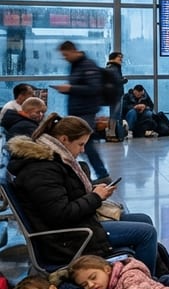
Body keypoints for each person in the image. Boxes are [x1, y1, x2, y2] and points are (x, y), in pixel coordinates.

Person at [5, 114, 159, 272]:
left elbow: (61, 197)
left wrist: (93, 192)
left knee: (144, 219)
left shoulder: (51, 160)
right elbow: (61, 214)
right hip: (67, 240)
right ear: (64, 139)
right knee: (147, 233)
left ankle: (141, 271)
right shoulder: (42, 169)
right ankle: (145, 282)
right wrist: (96, 197)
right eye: (80, 144)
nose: (83, 150)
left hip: (76, 226)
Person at [53, 41, 110, 183]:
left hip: (86, 112)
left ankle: (102, 175)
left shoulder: (87, 65)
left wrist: (70, 89)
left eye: (65, 55)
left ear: (73, 51)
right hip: (78, 111)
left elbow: (94, 89)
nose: (65, 58)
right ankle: (94, 174)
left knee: (86, 144)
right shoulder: (76, 65)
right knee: (83, 144)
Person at [104, 52, 127, 140]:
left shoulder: (110, 67)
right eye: (119, 57)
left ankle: (112, 133)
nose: (121, 59)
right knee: (115, 114)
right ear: (113, 58)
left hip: (113, 94)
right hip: (115, 95)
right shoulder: (114, 68)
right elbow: (116, 81)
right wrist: (124, 80)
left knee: (114, 114)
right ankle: (112, 134)